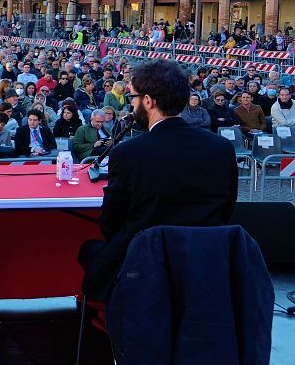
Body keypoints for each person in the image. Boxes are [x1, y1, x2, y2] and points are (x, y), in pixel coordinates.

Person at [78, 59, 237, 301]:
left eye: (133, 98)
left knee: (88, 251)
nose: (132, 105)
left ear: (148, 101)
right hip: (206, 264)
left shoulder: (128, 153)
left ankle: (101, 328)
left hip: (143, 266)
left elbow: (110, 225)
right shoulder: (222, 148)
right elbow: (226, 209)